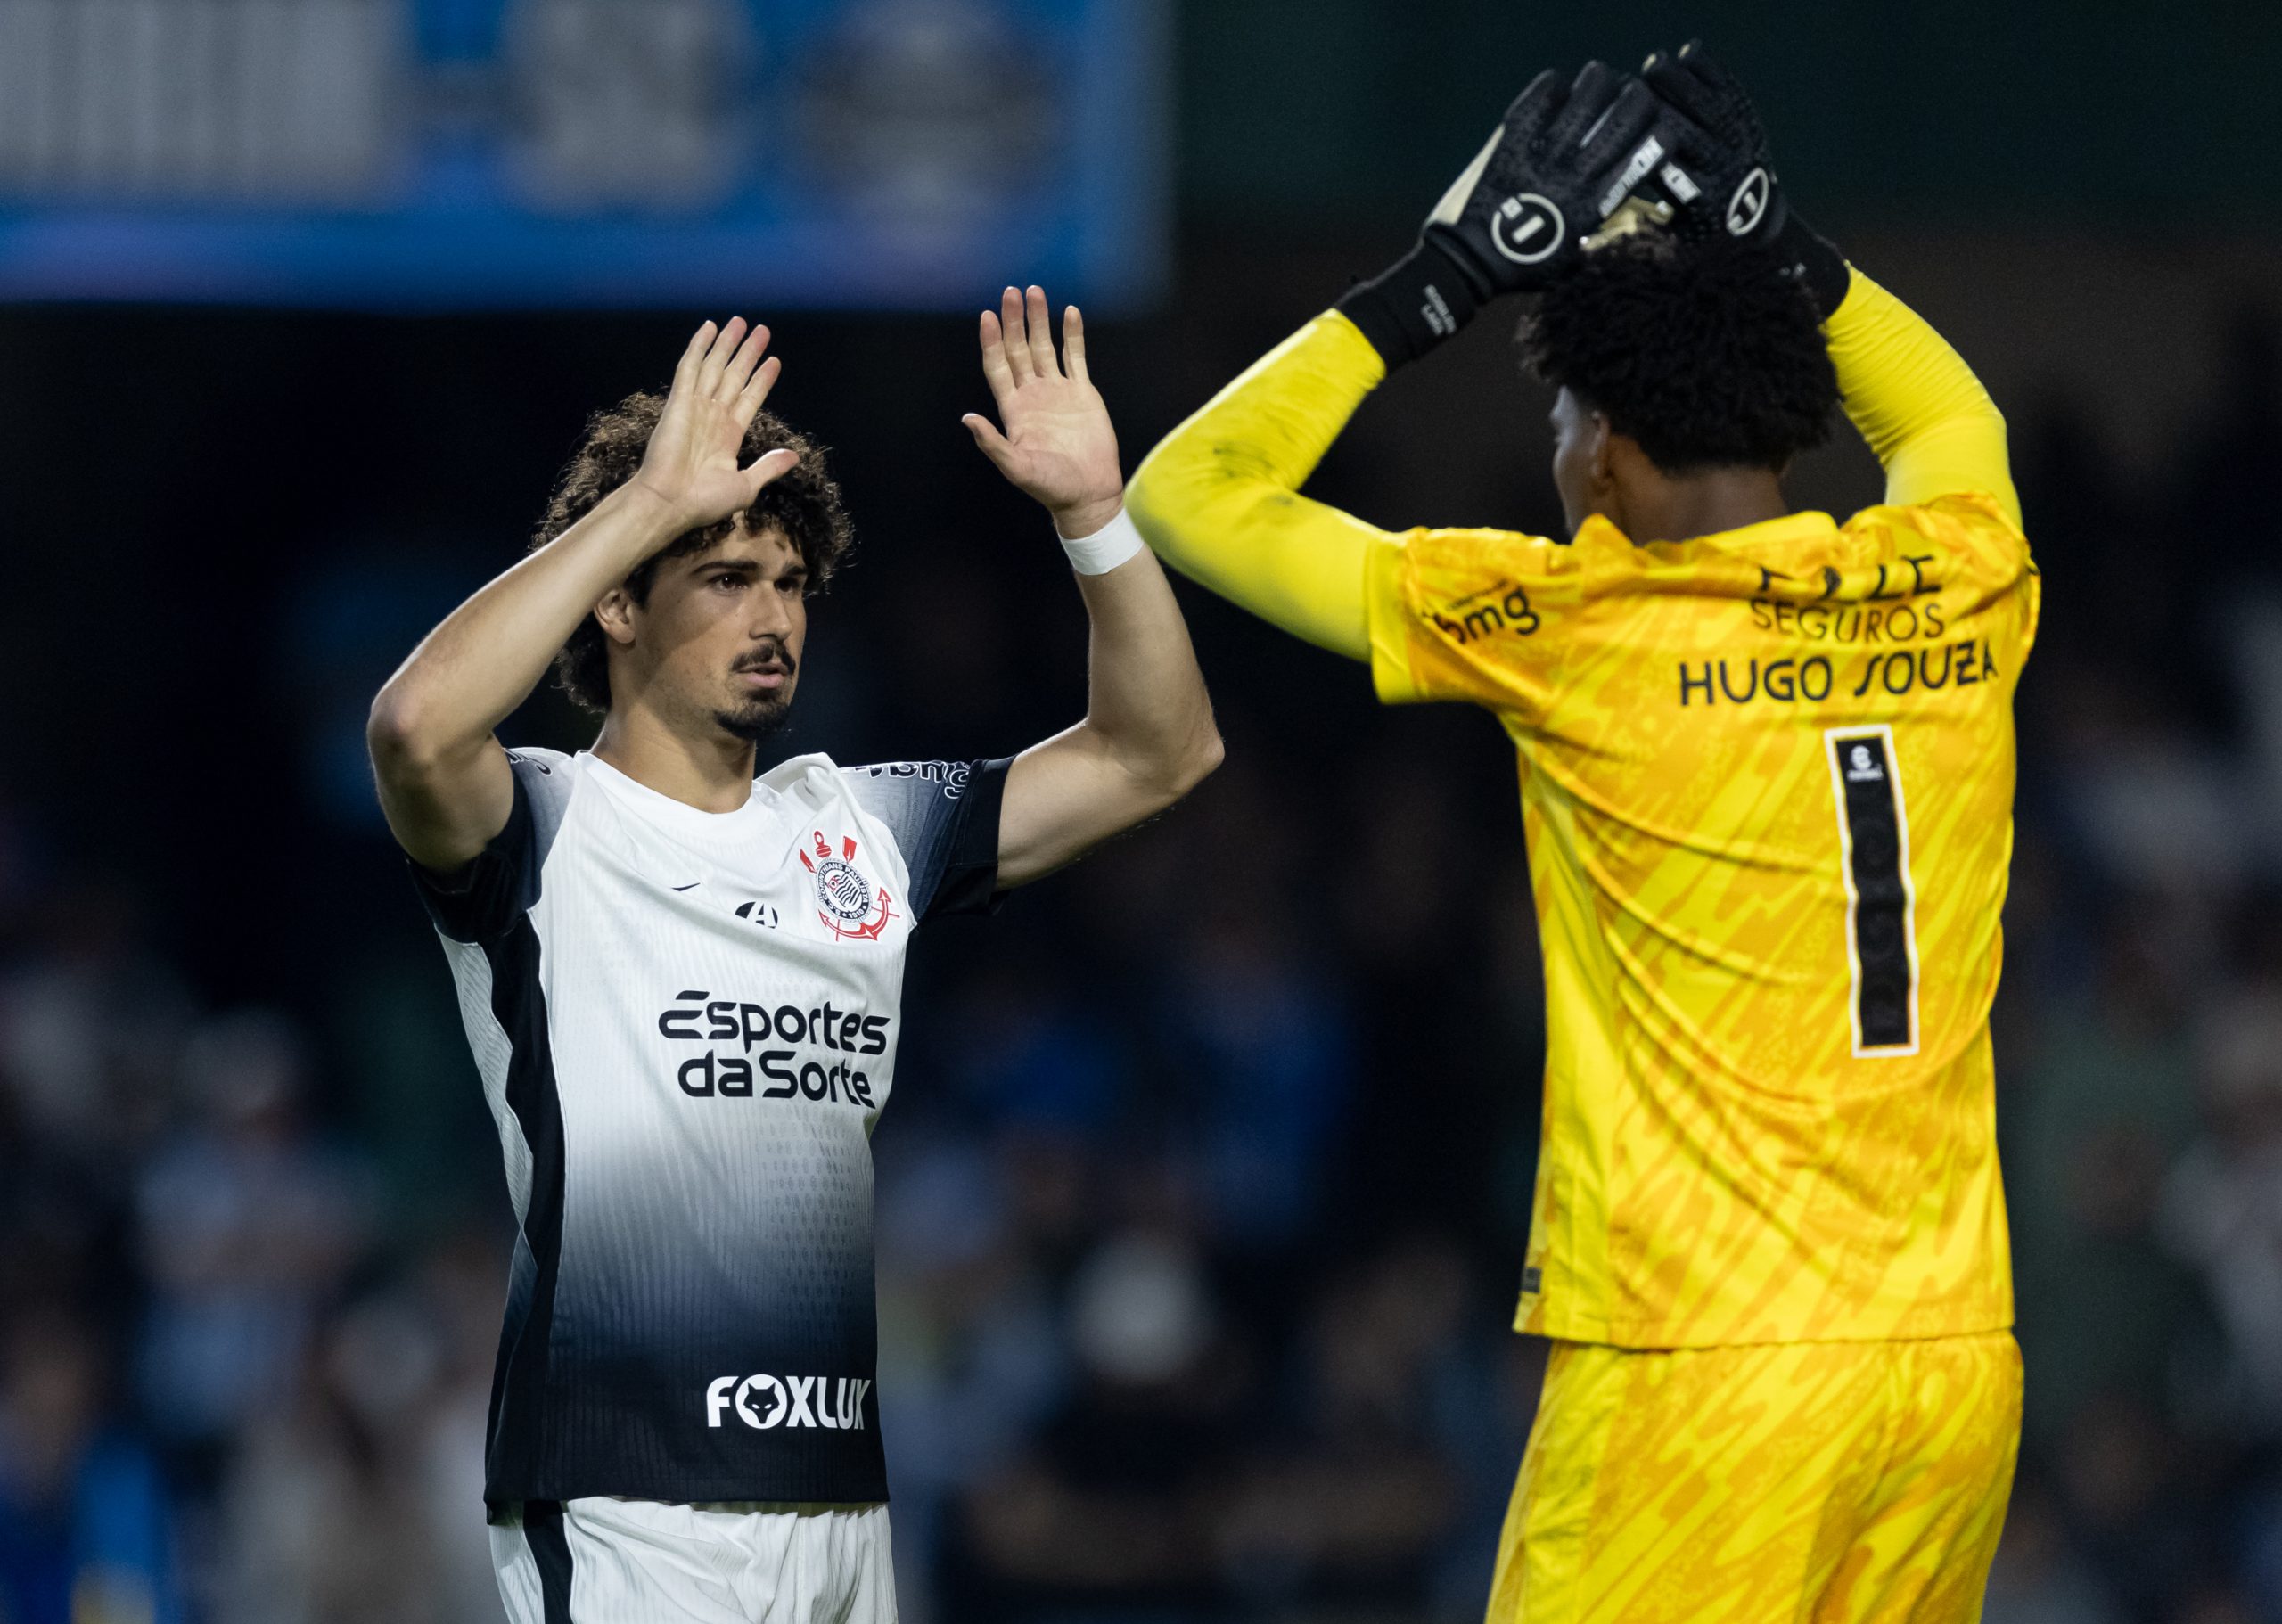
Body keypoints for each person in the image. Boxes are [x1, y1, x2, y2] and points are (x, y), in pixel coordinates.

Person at [1125, 47, 2031, 1624]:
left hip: (1704, 1374)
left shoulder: (1573, 626)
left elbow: (1191, 491)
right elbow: (1949, 409)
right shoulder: (1961, 574)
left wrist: (1449, 273)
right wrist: (1778, 244)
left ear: (1605, 446)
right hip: (1950, 1366)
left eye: (1560, 415)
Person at [366, 284, 1220, 1622]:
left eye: (788, 581)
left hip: (844, 1509)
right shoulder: (542, 823)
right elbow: (414, 724)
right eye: (724, 577)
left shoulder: (863, 825)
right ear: (621, 609)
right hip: (630, 1499)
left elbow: (1158, 753)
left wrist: (1093, 518)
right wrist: (646, 505)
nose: (773, 617)